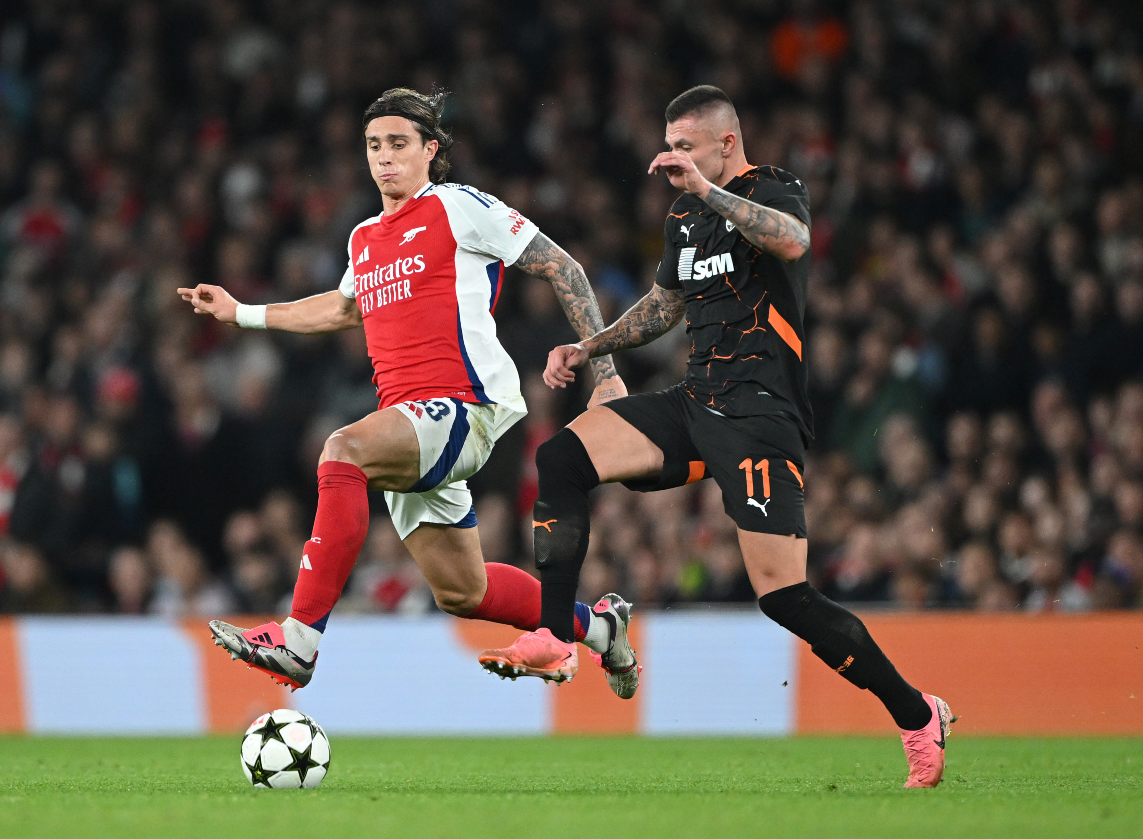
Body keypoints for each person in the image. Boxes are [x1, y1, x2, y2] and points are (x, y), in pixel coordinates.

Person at [479, 86, 955, 788]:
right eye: (670, 145)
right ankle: (555, 635)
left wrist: (707, 187)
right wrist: (591, 346)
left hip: (761, 413)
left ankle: (917, 714)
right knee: (561, 456)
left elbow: (791, 241)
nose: (672, 159)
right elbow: (666, 304)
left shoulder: (776, 189)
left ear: (726, 143)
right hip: (695, 400)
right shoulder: (683, 216)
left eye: (686, 146)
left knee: (784, 596)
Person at [179, 88, 630, 690]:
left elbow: (563, 267)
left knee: (342, 448)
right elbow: (342, 309)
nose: (384, 157)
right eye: (373, 146)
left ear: (429, 150)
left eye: (398, 144)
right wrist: (242, 313)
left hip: (461, 405)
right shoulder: (364, 238)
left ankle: (300, 639)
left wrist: (607, 371)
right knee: (465, 591)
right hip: (411, 421)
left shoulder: (456, 205)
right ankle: (601, 628)